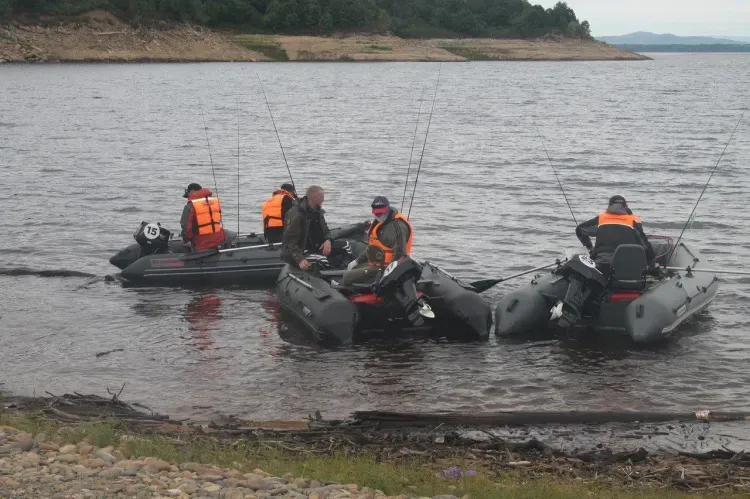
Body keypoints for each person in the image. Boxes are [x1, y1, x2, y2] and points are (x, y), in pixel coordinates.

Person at [575, 195, 657, 276]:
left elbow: (579, 229)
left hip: (602, 264)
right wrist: (653, 265)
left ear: (609, 206)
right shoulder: (631, 221)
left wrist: (589, 247)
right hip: (626, 265)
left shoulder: (601, 219)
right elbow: (645, 246)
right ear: (625, 207)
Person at [343, 196, 413, 285]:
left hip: (386, 268)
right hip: (376, 264)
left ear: (388, 209)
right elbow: (372, 246)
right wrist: (357, 261)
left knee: (347, 277)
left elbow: (399, 253)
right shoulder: (379, 222)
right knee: (351, 269)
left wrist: (386, 275)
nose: (379, 215)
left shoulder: (396, 227)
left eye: (381, 213)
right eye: (377, 213)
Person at [281, 185, 331, 270]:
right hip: (301, 252)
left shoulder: (317, 211)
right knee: (322, 260)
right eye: (322, 197)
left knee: (346, 247)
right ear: (314, 198)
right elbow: (290, 242)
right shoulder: (296, 214)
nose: (323, 199)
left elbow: (325, 228)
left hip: (315, 247)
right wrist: (300, 259)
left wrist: (327, 240)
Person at [180, 183, 226, 252]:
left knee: (185, 243)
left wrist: (185, 239)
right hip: (218, 237)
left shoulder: (189, 206)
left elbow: (185, 226)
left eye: (188, 194)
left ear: (192, 191)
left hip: (200, 242)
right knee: (233, 235)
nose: (188, 197)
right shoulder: (215, 201)